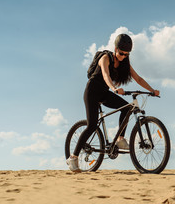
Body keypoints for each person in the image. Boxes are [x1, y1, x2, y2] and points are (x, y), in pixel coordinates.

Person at [66, 33, 160, 172]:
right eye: (121, 53)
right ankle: (73, 158)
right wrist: (114, 88)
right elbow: (105, 75)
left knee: (127, 108)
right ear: (115, 49)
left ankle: (120, 139)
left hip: (104, 93)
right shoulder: (105, 57)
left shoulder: (125, 63)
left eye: (127, 54)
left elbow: (138, 79)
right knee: (92, 125)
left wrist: (152, 90)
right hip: (92, 92)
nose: (123, 56)